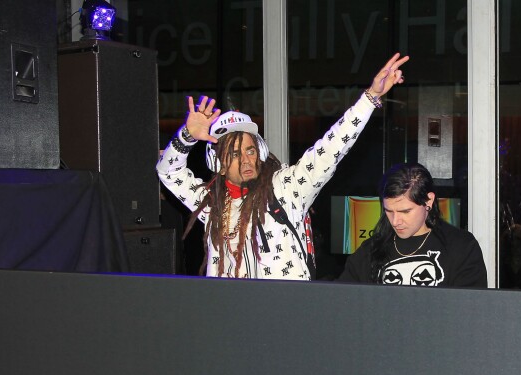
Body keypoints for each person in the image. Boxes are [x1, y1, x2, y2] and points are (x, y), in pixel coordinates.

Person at [156, 53, 409, 279]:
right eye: (234, 154)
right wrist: (186, 137)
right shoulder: (212, 203)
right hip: (232, 320)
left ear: (260, 152)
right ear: (219, 165)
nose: (246, 159)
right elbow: (168, 171)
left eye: (250, 150)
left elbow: (331, 149)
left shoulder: (286, 188)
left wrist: (370, 98)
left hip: (286, 315)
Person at [338, 162, 488, 287]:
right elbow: (342, 302)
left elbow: (470, 312)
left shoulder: (461, 247)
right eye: (389, 211)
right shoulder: (369, 251)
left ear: (428, 201)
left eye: (405, 211)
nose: (395, 221)